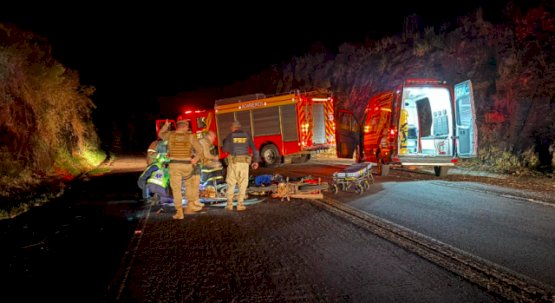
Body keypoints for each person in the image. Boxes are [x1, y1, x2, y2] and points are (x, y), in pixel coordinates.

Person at [159, 118, 205, 219]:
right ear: (185, 127)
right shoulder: (190, 136)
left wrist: (166, 126)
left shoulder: (170, 135)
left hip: (174, 165)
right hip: (187, 164)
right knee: (189, 186)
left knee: (176, 189)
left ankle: (179, 212)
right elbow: (200, 150)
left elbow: (160, 134)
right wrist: (195, 159)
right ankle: (191, 204)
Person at [222, 120, 260, 211]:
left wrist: (228, 145)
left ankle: (229, 205)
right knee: (243, 184)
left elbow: (224, 149)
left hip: (233, 164)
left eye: (231, 128)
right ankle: (240, 205)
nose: (230, 129)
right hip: (244, 164)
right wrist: (256, 161)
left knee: (231, 183)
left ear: (233, 128)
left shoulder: (230, 136)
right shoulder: (247, 135)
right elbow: (255, 150)